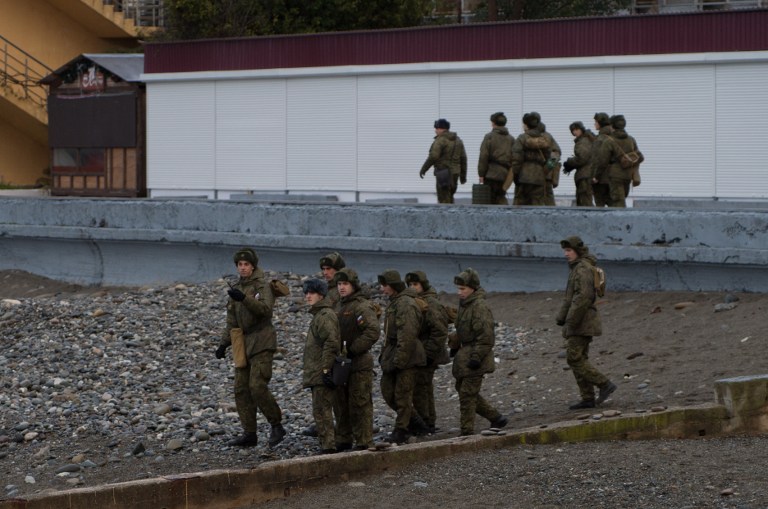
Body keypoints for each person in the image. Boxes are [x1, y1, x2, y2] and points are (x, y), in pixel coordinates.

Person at [215, 247, 286, 447]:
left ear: (253, 266)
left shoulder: (262, 286)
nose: (243, 268)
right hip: (242, 343)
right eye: (240, 265)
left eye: (246, 264)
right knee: (241, 389)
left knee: (257, 385)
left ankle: (276, 424)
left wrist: (244, 299)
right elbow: (232, 321)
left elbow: (265, 310)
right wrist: (223, 344)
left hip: (262, 340)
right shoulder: (237, 288)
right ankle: (249, 432)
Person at [555, 236, 617, 409]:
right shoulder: (578, 269)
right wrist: (561, 318)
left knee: (574, 359)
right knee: (579, 358)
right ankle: (588, 398)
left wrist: (570, 321)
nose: (566, 254)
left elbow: (582, 298)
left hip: (582, 322)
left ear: (578, 251)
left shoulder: (582, 270)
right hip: (581, 321)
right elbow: (570, 299)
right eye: (565, 251)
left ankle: (604, 384)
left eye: (569, 251)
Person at [449, 268, 508, 435]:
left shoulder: (479, 307)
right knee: (464, 390)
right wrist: (454, 346)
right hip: (465, 354)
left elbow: (486, 336)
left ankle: (466, 431)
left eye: (462, 289)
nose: (459, 292)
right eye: (458, 288)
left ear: (472, 288)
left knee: (467, 394)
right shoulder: (465, 305)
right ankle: (496, 417)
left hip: (476, 356)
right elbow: (461, 330)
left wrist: (476, 358)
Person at [377, 269, 426, 444]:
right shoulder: (395, 302)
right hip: (395, 352)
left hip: (408, 356)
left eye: (385, 285)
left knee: (402, 394)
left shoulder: (405, 304)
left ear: (394, 286)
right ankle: (415, 422)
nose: (383, 289)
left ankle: (402, 429)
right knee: (388, 391)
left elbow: (407, 335)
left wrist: (399, 360)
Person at [334, 268, 380, 450]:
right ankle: (344, 439)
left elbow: (373, 331)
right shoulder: (339, 305)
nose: (341, 288)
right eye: (339, 284)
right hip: (342, 362)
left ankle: (364, 441)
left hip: (359, 362)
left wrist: (354, 349)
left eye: (345, 284)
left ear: (353, 285)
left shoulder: (361, 306)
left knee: (360, 403)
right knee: (341, 403)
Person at [405, 271, 449, 435]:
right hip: (424, 353)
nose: (412, 288)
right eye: (409, 285)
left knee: (421, 389)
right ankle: (429, 422)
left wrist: (429, 354)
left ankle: (425, 422)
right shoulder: (418, 301)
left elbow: (439, 331)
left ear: (423, 285)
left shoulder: (430, 303)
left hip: (427, 354)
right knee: (425, 388)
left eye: (415, 284)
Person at [301, 278, 341, 454]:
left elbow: (331, 343)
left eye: (312, 293)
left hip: (321, 372)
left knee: (322, 410)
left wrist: (326, 369)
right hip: (317, 371)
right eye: (306, 293)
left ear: (321, 295)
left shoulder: (324, 315)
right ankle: (328, 443)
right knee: (320, 409)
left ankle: (328, 447)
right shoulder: (320, 315)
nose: (308, 296)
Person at [511, 112, 561, 206]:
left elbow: (516, 158)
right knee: (538, 205)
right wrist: (546, 169)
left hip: (524, 176)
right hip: (540, 176)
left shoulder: (522, 138)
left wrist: (516, 175)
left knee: (520, 205)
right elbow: (556, 155)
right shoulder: (547, 137)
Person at [595, 115, 644, 208]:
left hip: (615, 175)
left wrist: (596, 176)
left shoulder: (609, 141)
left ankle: (620, 222)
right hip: (628, 175)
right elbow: (640, 157)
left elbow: (603, 161)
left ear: (611, 126)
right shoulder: (631, 139)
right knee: (622, 199)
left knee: (618, 202)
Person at [419, 118, 468, 204]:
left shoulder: (440, 140)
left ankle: (446, 217)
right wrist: (463, 176)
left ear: (441, 128)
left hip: (443, 173)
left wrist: (424, 169)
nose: (435, 131)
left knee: (444, 201)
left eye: (437, 128)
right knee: (450, 198)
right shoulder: (458, 141)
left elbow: (433, 156)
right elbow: (463, 159)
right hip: (455, 174)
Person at [478, 112, 515, 205]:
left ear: (493, 123)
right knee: (501, 197)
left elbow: (483, 156)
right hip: (505, 174)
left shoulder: (489, 137)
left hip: (491, 174)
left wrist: (481, 174)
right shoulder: (511, 139)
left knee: (489, 201)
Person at [563, 121, 596, 207]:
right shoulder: (588, 139)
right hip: (588, 174)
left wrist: (569, 162)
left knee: (584, 201)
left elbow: (582, 158)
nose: (574, 132)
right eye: (573, 130)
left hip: (585, 175)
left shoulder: (583, 141)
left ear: (581, 129)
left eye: (576, 129)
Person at [590, 112, 612, 207]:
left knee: (600, 208)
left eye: (595, 122)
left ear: (600, 123)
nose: (594, 124)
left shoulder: (600, 139)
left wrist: (595, 176)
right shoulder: (614, 136)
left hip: (601, 179)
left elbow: (597, 160)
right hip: (614, 178)